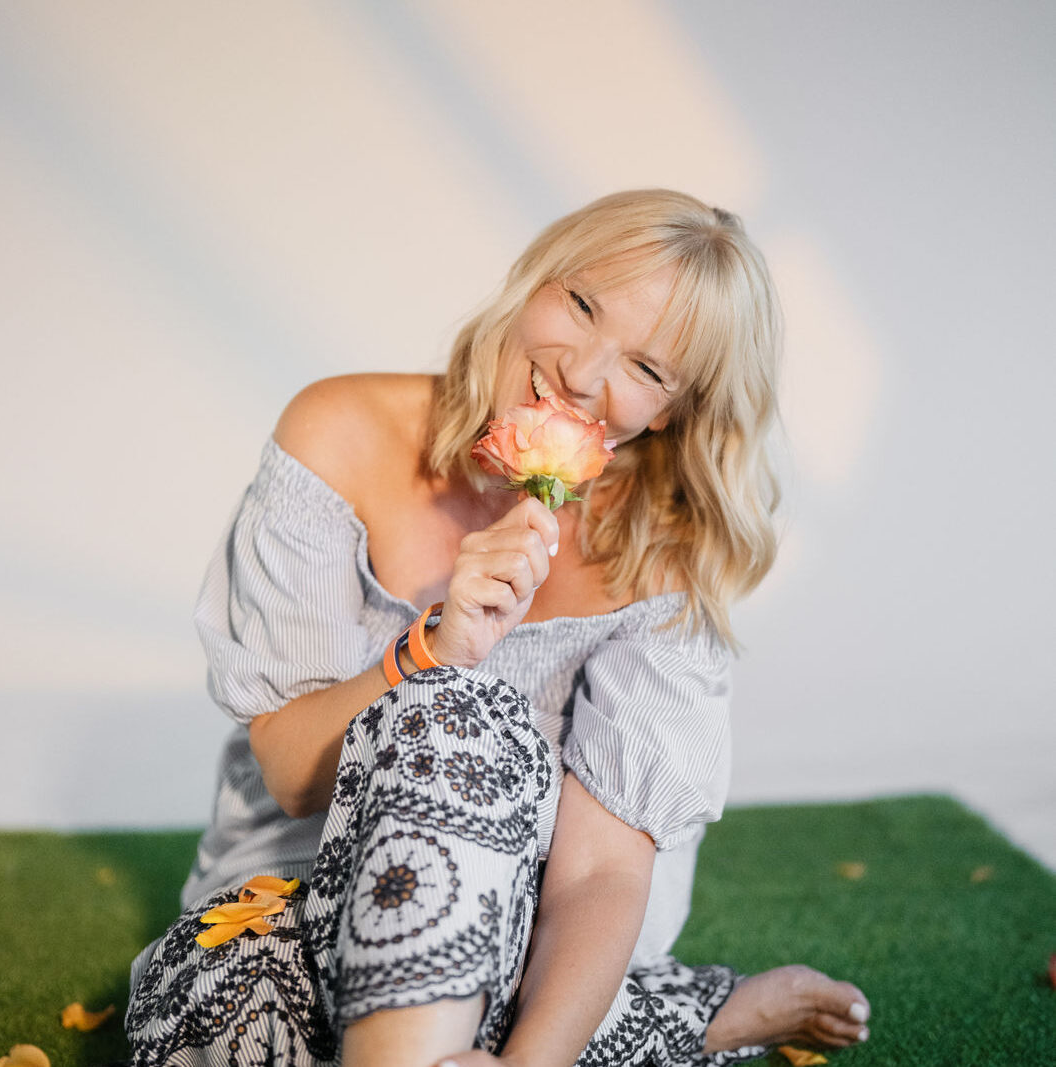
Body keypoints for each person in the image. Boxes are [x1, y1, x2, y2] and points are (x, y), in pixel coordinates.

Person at [125, 189, 871, 1066]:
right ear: (535, 277)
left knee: (469, 725)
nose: (582, 374)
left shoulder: (664, 552)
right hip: (288, 901)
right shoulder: (339, 430)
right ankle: (685, 1019)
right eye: (581, 305)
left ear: (670, 409)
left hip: (523, 928)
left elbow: (598, 875)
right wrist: (435, 647)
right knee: (226, 1006)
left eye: (645, 367)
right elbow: (291, 776)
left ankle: (546, 1032)